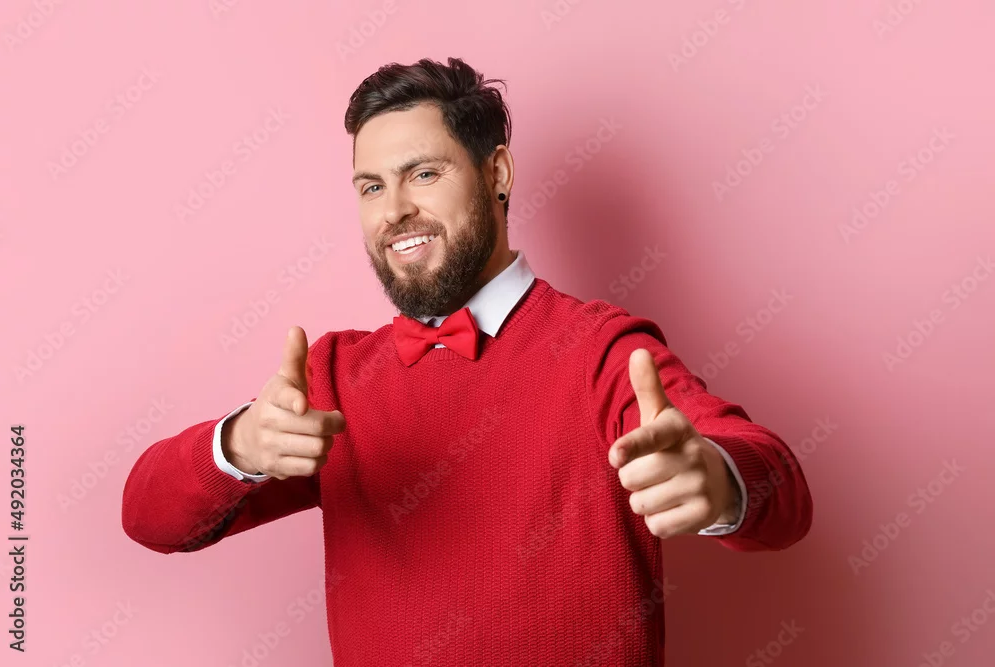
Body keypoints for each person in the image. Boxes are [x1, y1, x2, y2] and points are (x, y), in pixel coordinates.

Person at [121, 56, 812, 666]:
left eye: (423, 174)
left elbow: (782, 488)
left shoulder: (603, 351)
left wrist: (718, 481)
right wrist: (238, 445)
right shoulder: (333, 378)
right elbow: (149, 518)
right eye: (371, 187)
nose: (395, 211)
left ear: (497, 173)